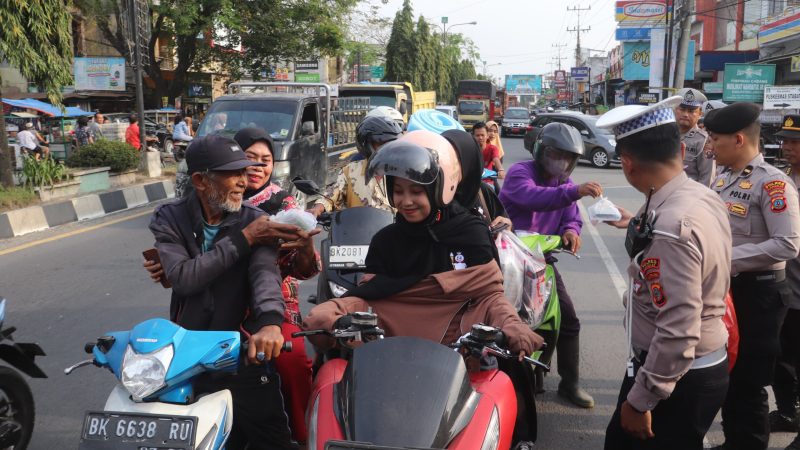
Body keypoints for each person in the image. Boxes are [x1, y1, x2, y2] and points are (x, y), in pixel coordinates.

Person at [145, 128, 319, 444]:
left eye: (246, 171)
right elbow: (183, 278)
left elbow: (265, 277)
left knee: (272, 437)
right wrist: (244, 239)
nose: (244, 180)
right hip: (187, 348)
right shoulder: (170, 217)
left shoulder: (255, 218)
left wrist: (269, 325)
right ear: (200, 181)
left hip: (241, 347)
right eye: (233, 173)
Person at [303, 130, 544, 355]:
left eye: (417, 191)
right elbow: (369, 298)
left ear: (439, 188)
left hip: (458, 360)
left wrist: (514, 327)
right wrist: (330, 314)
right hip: (388, 358)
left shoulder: (471, 234)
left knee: (507, 385)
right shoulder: (386, 241)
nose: (406, 201)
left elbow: (490, 299)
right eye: (398, 190)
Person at [597, 96, 732, 450]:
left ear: (627, 163)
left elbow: (677, 330)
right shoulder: (697, 195)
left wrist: (641, 400)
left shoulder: (671, 227)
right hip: (694, 365)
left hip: (675, 375)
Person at [704, 103, 800, 450]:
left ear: (739, 139)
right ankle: (736, 441)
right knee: (727, 372)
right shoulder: (724, 176)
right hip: (730, 291)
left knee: (748, 381)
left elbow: (787, 244)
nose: (710, 146)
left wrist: (726, 258)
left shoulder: (773, 183)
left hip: (759, 296)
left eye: (715, 139)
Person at [498, 122, 601, 409]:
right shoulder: (520, 173)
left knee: (567, 319)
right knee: (507, 319)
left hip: (542, 263)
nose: (563, 162)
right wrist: (574, 192)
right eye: (557, 154)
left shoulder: (566, 185)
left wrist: (571, 231)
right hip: (509, 262)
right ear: (542, 151)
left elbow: (571, 217)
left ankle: (570, 383)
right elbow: (535, 198)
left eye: (569, 157)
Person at [770, 115, 800, 450]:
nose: (788, 147)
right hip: (784, 289)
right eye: (786, 141)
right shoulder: (784, 179)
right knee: (781, 358)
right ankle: (788, 413)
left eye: (795, 142)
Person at [309, 115, 402, 217]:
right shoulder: (350, 171)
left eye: (391, 144)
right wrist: (317, 209)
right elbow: (331, 196)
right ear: (366, 145)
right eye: (381, 144)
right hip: (357, 229)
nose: (387, 149)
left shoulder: (402, 172)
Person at [675, 88, 714, 186]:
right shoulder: (666, 135)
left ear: (700, 114)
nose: (685, 114)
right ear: (675, 109)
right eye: (682, 109)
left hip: (690, 196)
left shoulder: (704, 140)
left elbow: (707, 177)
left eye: (691, 111)